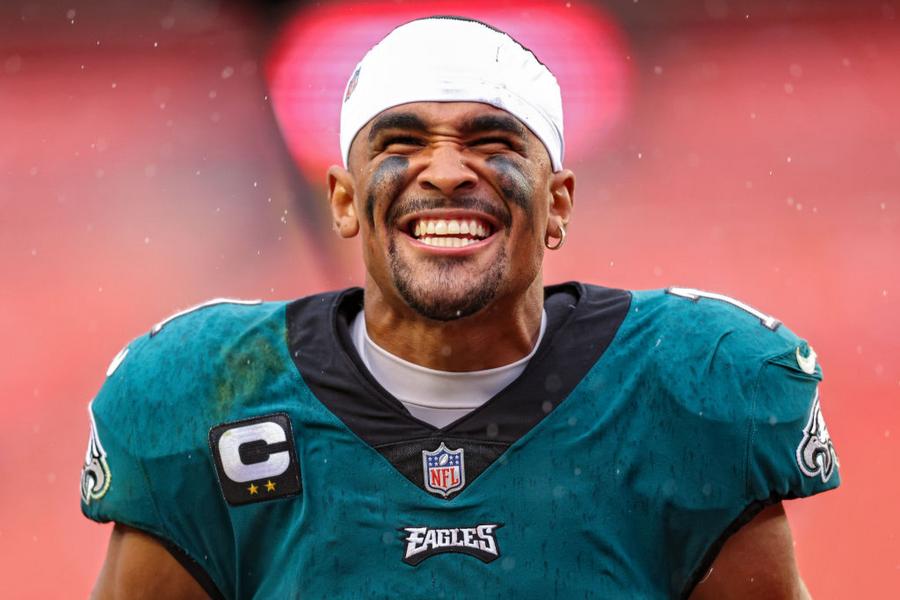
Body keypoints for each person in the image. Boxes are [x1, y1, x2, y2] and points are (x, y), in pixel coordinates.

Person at [82, 16, 839, 600]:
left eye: (492, 141)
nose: (445, 172)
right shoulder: (210, 392)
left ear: (558, 205)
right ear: (345, 201)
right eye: (400, 143)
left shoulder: (691, 385)